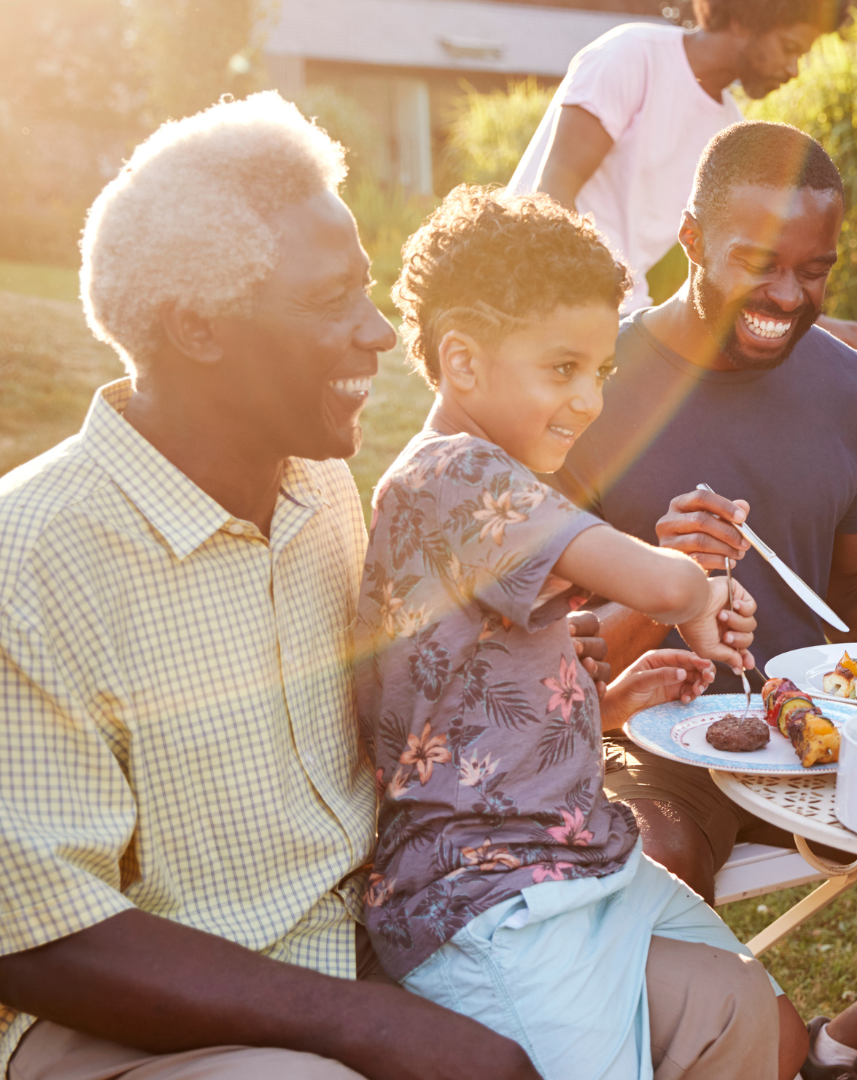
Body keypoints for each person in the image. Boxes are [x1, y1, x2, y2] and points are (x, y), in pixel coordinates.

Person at [0, 93, 561, 1080]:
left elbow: (386, 717)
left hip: (364, 947)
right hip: (123, 1025)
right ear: (198, 328)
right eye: (331, 300)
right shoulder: (29, 557)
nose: (380, 335)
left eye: (369, 290)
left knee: (715, 1007)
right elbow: (44, 936)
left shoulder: (320, 487)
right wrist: (367, 1026)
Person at [551, 120, 857, 1080]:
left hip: (837, 741)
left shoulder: (855, 392)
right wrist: (657, 578)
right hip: (659, 745)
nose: (788, 297)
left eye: (815, 270)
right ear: (691, 239)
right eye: (758, 263)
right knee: (641, 872)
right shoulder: (594, 383)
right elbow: (549, 643)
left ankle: (841, 1046)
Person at [355, 184, 796, 1080]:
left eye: (601, 370)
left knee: (759, 1017)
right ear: (463, 362)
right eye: (563, 368)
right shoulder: (453, 477)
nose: (590, 399)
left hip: (579, 855)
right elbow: (658, 577)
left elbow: (481, 699)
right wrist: (696, 589)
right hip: (492, 899)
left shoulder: (492, 481)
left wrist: (606, 700)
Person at [507, 0, 857, 363]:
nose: (793, 69)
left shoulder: (727, 132)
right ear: (744, 17)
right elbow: (551, 193)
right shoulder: (633, 56)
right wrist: (586, 314)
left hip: (614, 316)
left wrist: (819, 326)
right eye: (789, 47)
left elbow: (735, 264)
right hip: (532, 295)